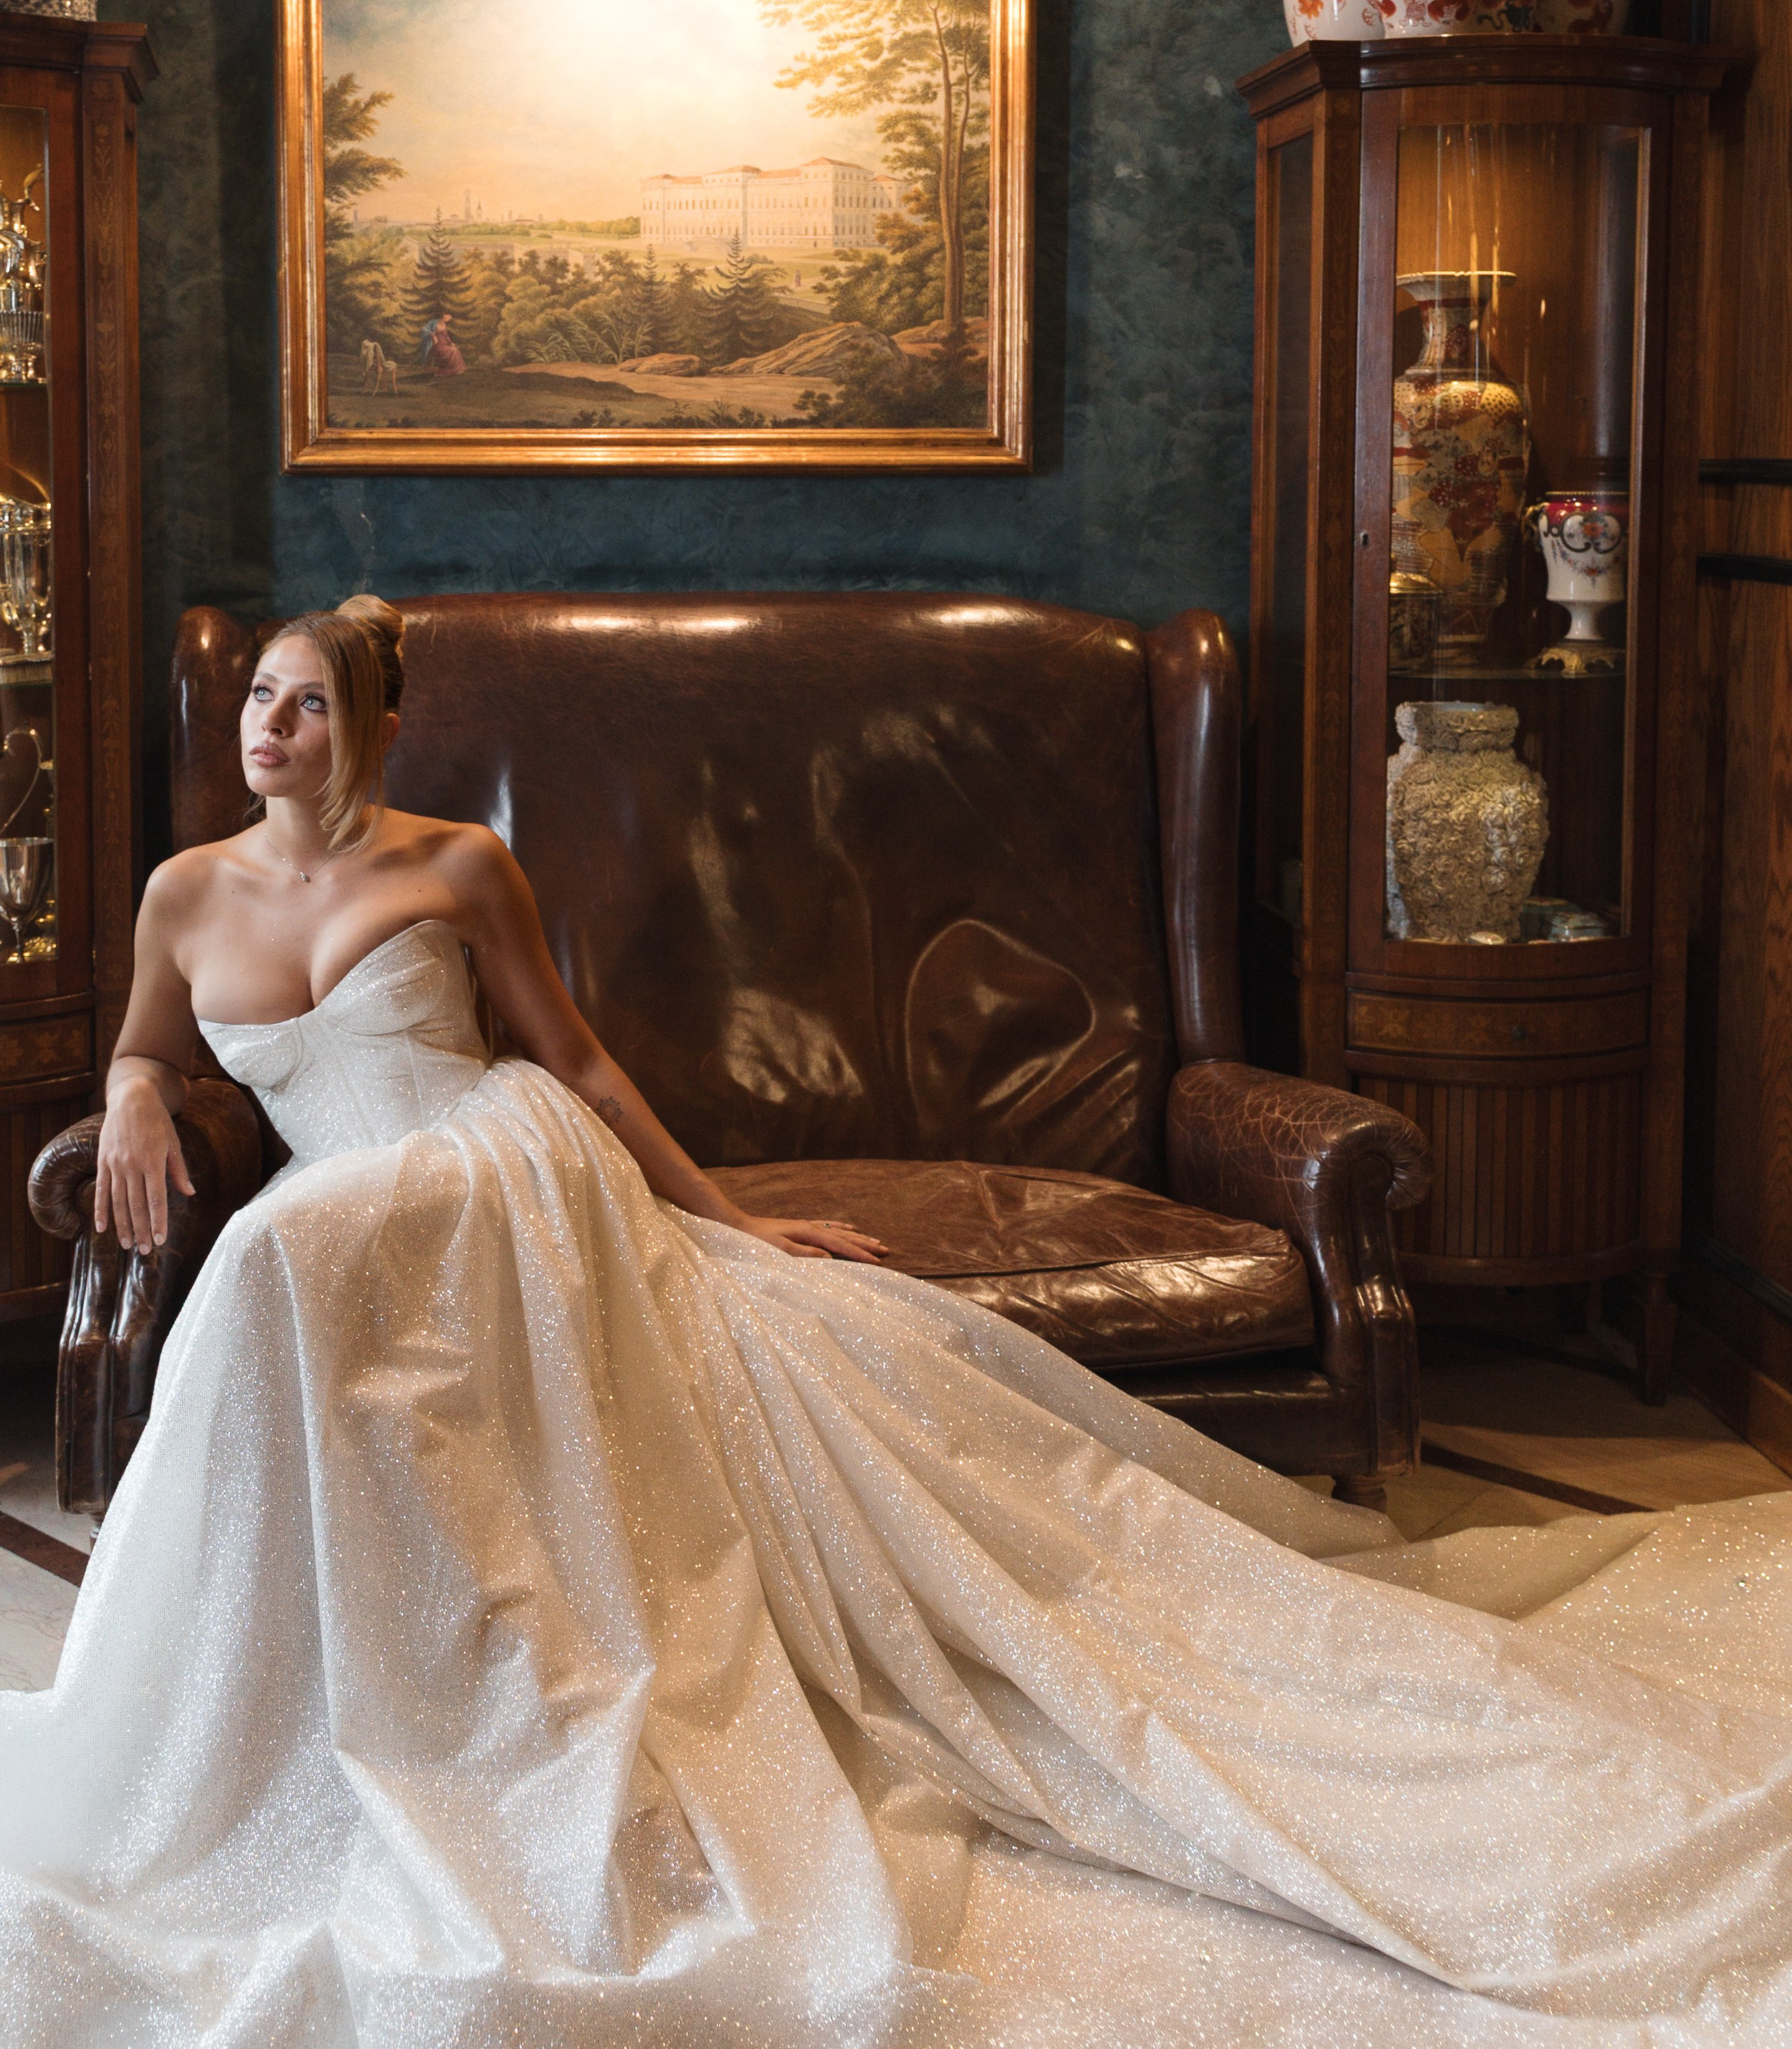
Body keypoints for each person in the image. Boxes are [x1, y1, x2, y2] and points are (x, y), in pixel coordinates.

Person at [1, 593, 1790, 2049]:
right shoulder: (182, 891)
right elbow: (149, 1040)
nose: (266, 728)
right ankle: (307, 1691)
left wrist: (730, 1218)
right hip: (342, 1223)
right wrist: (141, 1090)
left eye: (304, 704)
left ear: (373, 724)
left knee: (276, 1268)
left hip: (498, 1182)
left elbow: (581, 1063)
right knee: (282, 1266)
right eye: (254, 700)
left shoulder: (459, 865)